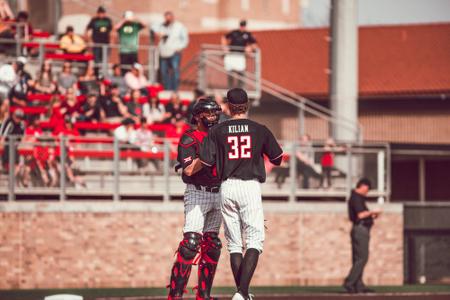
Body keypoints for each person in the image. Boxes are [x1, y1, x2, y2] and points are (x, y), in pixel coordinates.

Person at [199, 88, 283, 300]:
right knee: (255, 241)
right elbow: (277, 158)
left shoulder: (217, 130)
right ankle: (242, 292)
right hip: (249, 186)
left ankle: (242, 294)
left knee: (235, 244)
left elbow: (207, 162)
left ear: (228, 106)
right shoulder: (259, 129)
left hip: (226, 187)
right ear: (247, 105)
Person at [167, 98, 222, 300]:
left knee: (213, 244)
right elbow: (189, 169)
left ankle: (204, 295)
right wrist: (207, 156)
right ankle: (175, 295)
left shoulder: (220, 135)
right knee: (191, 244)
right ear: (198, 116)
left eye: (215, 113)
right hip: (198, 192)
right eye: (209, 114)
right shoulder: (189, 138)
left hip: (219, 191)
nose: (213, 118)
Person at [343, 178, 382, 294]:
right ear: (363, 186)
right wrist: (373, 212)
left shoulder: (357, 198)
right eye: (367, 189)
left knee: (358, 259)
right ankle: (349, 282)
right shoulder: (356, 197)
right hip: (361, 229)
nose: (367, 191)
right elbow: (360, 215)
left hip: (360, 229)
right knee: (362, 258)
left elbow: (361, 215)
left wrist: (372, 216)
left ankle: (358, 285)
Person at [152, 11, 188, 91]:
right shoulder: (161, 26)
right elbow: (153, 27)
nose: (168, 19)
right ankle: (167, 89)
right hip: (163, 53)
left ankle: (174, 90)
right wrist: (158, 32)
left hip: (174, 53)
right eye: (166, 17)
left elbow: (185, 39)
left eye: (169, 17)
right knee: (164, 72)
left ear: (173, 17)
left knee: (175, 72)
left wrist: (180, 48)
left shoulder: (179, 26)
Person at [221, 20, 257, 89]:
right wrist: (224, 47)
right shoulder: (234, 32)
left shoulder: (248, 34)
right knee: (230, 73)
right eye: (241, 26)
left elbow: (254, 44)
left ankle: (240, 89)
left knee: (241, 74)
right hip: (231, 55)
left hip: (240, 56)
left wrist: (250, 48)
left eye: (243, 26)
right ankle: (230, 88)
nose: (242, 27)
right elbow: (224, 37)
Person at [86, 6, 113, 72]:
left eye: (102, 13)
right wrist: (90, 40)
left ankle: (103, 73)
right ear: (97, 13)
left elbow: (112, 31)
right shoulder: (94, 20)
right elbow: (87, 30)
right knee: (97, 60)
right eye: (100, 13)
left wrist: (112, 41)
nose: (101, 14)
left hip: (105, 43)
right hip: (96, 44)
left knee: (104, 59)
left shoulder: (108, 20)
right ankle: (97, 73)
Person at [0, 109, 25, 175]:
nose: (18, 119)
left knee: (18, 152)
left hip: (16, 144)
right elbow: (3, 134)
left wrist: (21, 144)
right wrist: (2, 141)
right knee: (8, 149)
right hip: (7, 143)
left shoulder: (22, 124)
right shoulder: (9, 122)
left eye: (20, 117)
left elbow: (23, 136)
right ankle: (6, 166)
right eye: (17, 117)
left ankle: (15, 170)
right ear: (13, 116)